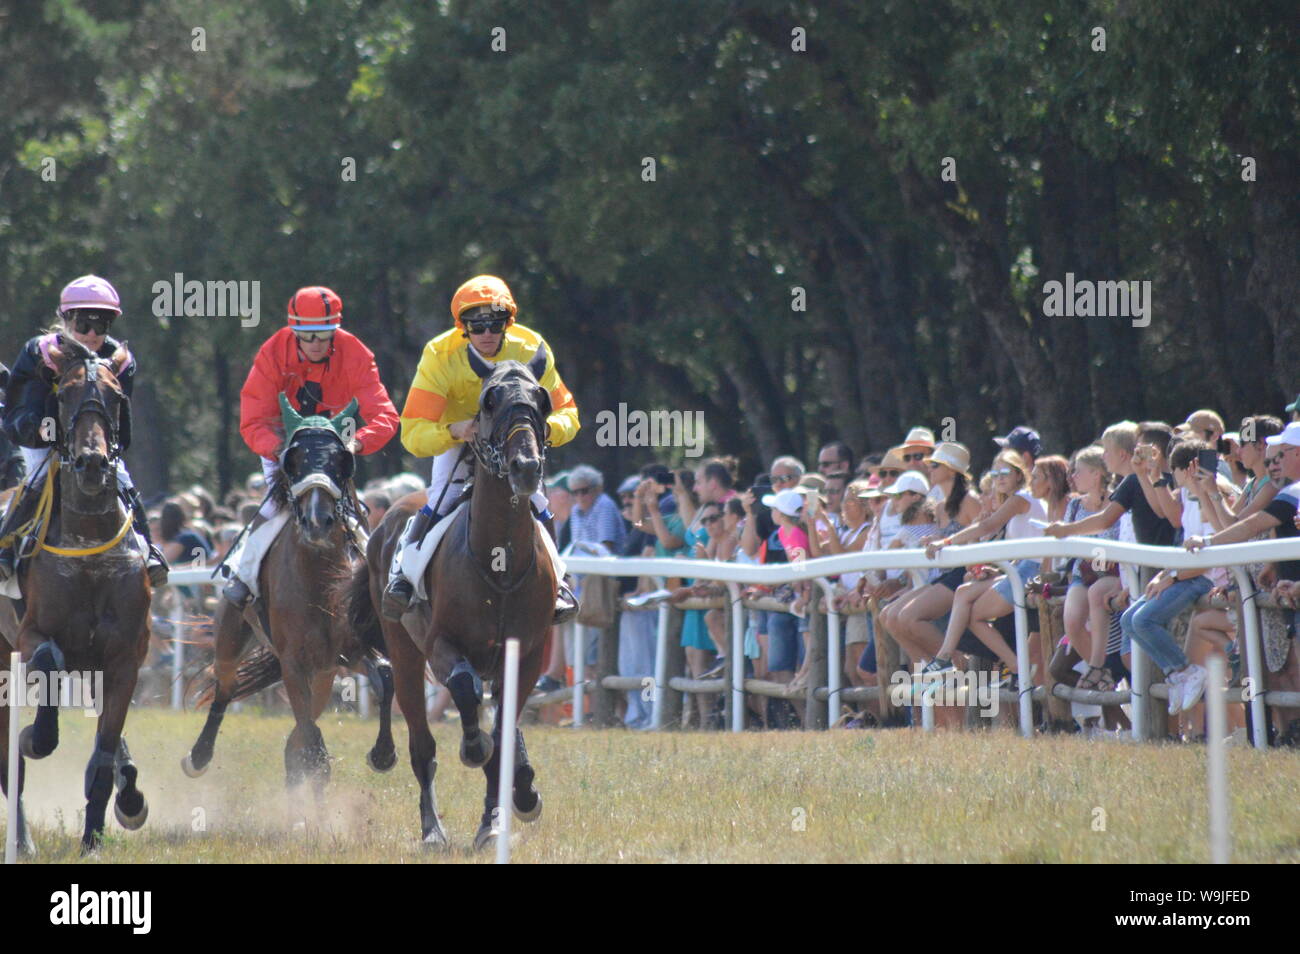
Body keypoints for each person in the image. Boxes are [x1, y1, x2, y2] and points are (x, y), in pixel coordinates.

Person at [382, 275, 580, 620]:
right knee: (441, 498)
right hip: (461, 440)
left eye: (496, 323)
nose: (487, 333)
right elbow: (412, 433)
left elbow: (570, 415)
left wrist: (544, 429)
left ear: (509, 323)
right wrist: (454, 430)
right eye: (477, 325)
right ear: (463, 327)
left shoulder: (532, 347)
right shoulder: (439, 355)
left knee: (537, 501)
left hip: (514, 444)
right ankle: (404, 575)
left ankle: (559, 583)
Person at [221, 285, 399, 609]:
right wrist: (279, 450)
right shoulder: (273, 352)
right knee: (274, 507)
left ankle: (375, 586)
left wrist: (356, 444)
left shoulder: (356, 353)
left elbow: (385, 415)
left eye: (324, 334)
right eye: (307, 335)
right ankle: (243, 575)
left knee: (352, 514)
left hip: (333, 450)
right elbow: (252, 421)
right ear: (294, 330)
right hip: (286, 447)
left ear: (336, 329)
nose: (316, 343)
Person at [0, 275, 168, 584]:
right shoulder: (40, 353)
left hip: (91, 442)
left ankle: (149, 549)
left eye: (101, 324)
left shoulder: (121, 361)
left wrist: (103, 444)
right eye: (83, 323)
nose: (91, 333)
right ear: (65, 319)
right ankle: (6, 549)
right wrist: (46, 433)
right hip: (42, 437)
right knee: (36, 479)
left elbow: (119, 416)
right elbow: (24, 408)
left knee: (123, 480)